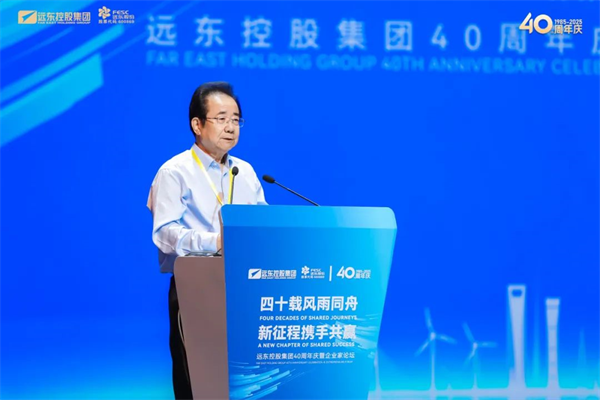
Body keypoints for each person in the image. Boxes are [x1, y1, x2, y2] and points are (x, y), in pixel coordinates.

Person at [147, 82, 266, 399]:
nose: (231, 127)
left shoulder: (246, 172)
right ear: (197, 125)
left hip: (245, 286)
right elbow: (165, 234)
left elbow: (262, 224)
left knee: (244, 378)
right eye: (221, 118)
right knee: (198, 378)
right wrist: (216, 242)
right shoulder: (174, 172)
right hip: (196, 286)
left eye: (236, 119)